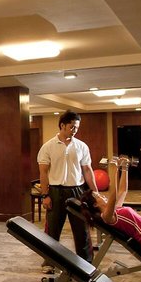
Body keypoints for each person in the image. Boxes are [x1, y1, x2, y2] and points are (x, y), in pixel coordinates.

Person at [37, 110, 98, 270]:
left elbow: (87, 170)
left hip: (77, 191)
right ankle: (50, 261)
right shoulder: (48, 146)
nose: (75, 130)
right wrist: (45, 195)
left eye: (77, 127)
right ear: (62, 125)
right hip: (55, 191)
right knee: (52, 229)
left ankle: (86, 263)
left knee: (82, 230)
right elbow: (43, 173)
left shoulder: (81, 146)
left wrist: (95, 192)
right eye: (72, 127)